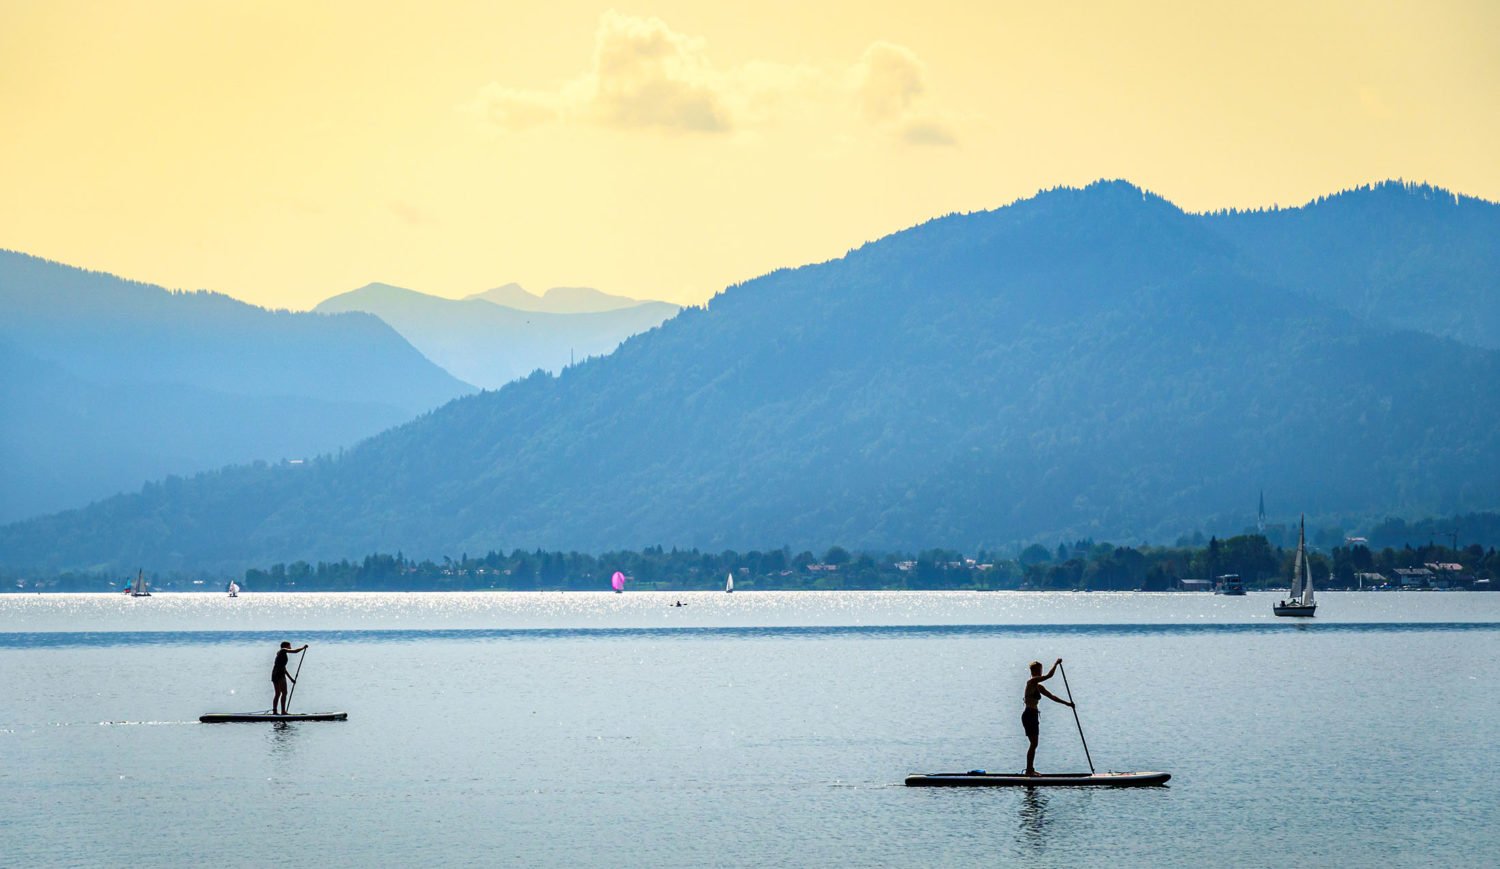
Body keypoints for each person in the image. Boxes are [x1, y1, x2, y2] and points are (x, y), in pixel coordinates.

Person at [1022, 658, 1073, 776]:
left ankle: (1030, 769)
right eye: (1040, 670)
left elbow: (1052, 696)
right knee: (1033, 744)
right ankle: (1029, 770)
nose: (1041, 672)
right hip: (1029, 714)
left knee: (1034, 744)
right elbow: (1049, 676)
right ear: (1035, 671)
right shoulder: (1031, 682)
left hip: (1033, 715)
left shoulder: (1039, 687)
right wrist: (1056, 664)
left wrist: (1068, 704)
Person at [271, 641, 308, 714]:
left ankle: (275, 711)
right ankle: (283, 712)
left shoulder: (280, 653)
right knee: (284, 693)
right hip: (279, 675)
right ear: (286, 646)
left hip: (275, 674)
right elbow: (295, 651)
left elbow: (284, 668)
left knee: (278, 693)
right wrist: (303, 648)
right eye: (289, 646)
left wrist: (291, 679)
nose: (290, 647)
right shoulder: (283, 650)